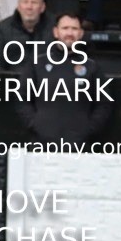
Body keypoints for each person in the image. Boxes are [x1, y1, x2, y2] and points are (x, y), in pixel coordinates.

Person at [18, 14, 112, 146]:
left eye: (74, 29)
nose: (69, 33)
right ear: (56, 32)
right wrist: (36, 125)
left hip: (79, 146)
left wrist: (87, 129)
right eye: (65, 28)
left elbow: (103, 104)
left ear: (80, 33)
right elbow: (22, 99)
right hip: (41, 145)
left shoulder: (91, 67)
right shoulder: (37, 63)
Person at [0, 0, 54, 70]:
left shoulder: (55, 27)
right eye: (25, 2)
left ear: (42, 7)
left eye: (34, 3)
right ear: (18, 6)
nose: (29, 7)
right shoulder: (2, 29)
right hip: (12, 81)